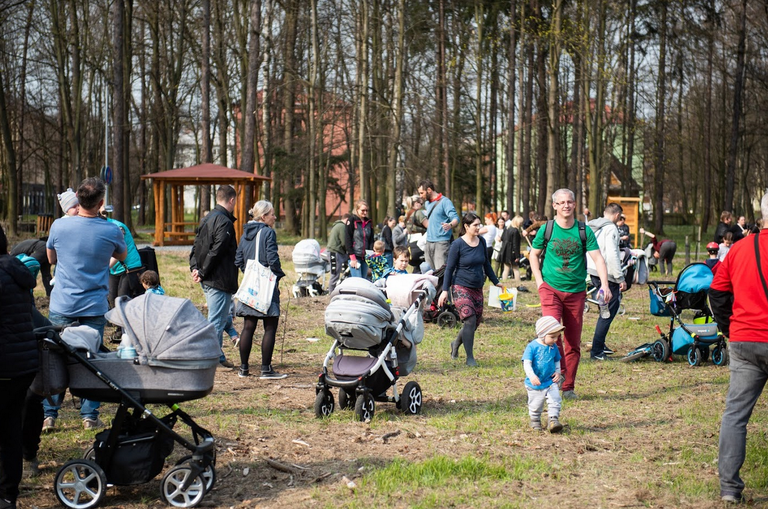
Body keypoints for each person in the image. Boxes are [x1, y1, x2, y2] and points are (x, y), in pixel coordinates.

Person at [44, 177, 126, 431]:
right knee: (91, 359)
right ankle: (89, 415)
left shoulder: (59, 226)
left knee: (54, 359)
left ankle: (50, 414)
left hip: (62, 304)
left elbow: (50, 257)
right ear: (101, 203)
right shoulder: (111, 229)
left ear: (78, 200)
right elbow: (122, 256)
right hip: (93, 306)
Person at [709, 192, 768, 504]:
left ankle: (730, 488)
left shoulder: (739, 249)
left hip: (744, 340)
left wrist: (728, 328)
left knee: (735, 415)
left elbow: (716, 290)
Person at [529, 189, 611, 400]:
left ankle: (568, 387)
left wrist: (604, 284)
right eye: (561, 202)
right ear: (555, 206)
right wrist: (539, 282)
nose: (566, 205)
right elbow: (533, 255)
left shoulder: (584, 231)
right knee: (551, 335)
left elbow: (599, 258)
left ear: (574, 205)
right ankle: (552, 380)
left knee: (572, 342)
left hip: (576, 292)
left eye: (569, 202)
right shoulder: (547, 229)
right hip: (550, 289)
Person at [0, 224, 40, 509]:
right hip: (23, 365)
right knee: (10, 430)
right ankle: (8, 495)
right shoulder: (16, 270)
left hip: (4, 364)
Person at [438, 212, 502, 367]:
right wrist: (445, 290)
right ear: (466, 226)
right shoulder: (457, 244)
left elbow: (486, 264)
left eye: (479, 224)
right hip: (460, 287)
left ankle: (455, 344)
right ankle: (470, 358)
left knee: (473, 324)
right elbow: (449, 269)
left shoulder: (481, 242)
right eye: (475, 225)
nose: (478, 228)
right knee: (469, 319)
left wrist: (496, 281)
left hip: (477, 288)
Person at [234, 200, 287, 380]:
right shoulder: (268, 233)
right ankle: (265, 369)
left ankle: (244, 368)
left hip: (250, 287)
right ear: (264, 216)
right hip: (266, 286)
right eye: (272, 214)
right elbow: (272, 257)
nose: (275, 217)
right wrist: (278, 275)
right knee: (270, 327)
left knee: (248, 326)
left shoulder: (245, 234)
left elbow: (238, 259)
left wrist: (248, 273)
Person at [190, 185, 239, 369]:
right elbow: (216, 251)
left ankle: (217, 356)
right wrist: (201, 271)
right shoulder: (224, 222)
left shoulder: (207, 218)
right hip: (218, 279)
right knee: (216, 322)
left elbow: (196, 245)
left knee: (218, 317)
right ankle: (210, 358)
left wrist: (195, 267)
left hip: (208, 277)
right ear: (231, 200)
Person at [587, 203, 627, 361]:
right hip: (607, 274)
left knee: (604, 309)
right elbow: (612, 255)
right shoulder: (611, 228)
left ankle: (600, 344)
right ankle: (597, 351)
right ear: (617, 215)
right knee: (609, 311)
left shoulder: (594, 226)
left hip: (593, 270)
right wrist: (620, 277)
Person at [523, 316, 564, 433]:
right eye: (552, 337)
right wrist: (532, 375)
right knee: (536, 403)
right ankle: (535, 420)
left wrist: (557, 372)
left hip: (550, 381)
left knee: (555, 399)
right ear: (542, 334)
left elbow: (557, 360)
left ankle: (553, 419)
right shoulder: (532, 347)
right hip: (536, 382)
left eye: (557, 336)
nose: (556, 340)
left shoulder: (553, 347)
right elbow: (527, 363)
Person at [418, 179, 459, 271]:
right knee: (429, 273)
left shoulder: (445, 202)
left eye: (422, 193)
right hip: (428, 242)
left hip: (441, 242)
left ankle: (444, 286)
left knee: (440, 272)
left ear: (429, 190)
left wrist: (450, 225)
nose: (420, 196)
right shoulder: (427, 203)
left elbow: (456, 218)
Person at [345, 200, 374, 279]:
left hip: (365, 257)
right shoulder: (351, 221)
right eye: (363, 210)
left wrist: (370, 255)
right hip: (355, 256)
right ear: (357, 210)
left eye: (366, 210)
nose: (365, 212)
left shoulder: (369, 222)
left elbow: (371, 240)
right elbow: (348, 239)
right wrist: (352, 257)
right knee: (358, 280)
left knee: (364, 280)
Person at [327, 213, 350, 293]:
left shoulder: (337, 225)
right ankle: (331, 292)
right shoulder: (342, 227)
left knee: (335, 273)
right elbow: (344, 242)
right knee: (335, 274)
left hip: (334, 251)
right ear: (347, 220)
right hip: (335, 252)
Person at [405, 196, 427, 273]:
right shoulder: (418, 213)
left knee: (417, 268)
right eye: (421, 203)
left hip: (411, 243)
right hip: (420, 242)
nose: (422, 205)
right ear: (416, 203)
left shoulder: (408, 213)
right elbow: (429, 225)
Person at [499, 216, 523, 281]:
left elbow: (502, 238)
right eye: (520, 223)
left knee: (506, 269)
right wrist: (517, 256)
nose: (521, 224)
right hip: (512, 252)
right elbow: (515, 245)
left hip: (505, 251)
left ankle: (504, 282)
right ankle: (518, 283)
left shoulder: (506, 228)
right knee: (516, 269)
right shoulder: (515, 231)